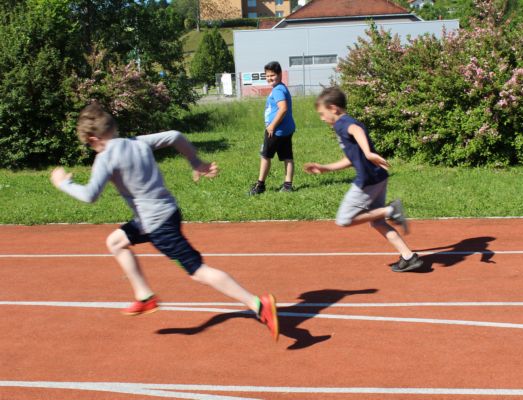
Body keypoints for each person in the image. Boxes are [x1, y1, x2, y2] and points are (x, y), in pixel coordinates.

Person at [50, 102, 279, 341]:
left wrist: (64, 183)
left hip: (158, 226)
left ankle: (258, 304)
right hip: (163, 214)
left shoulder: (105, 158)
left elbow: (90, 195)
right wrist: (195, 162)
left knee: (198, 272)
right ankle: (145, 297)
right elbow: (175, 136)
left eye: (89, 145)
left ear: (93, 138)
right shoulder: (137, 142)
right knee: (116, 242)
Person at [303, 87, 423, 272]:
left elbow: (356, 130)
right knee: (377, 221)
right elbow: (351, 158)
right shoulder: (346, 123)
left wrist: (368, 152)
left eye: (322, 113)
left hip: (367, 181)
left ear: (333, 108)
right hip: (378, 177)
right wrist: (326, 168)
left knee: (344, 219)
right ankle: (409, 257)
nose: (322, 118)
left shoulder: (342, 123)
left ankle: (390, 210)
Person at [249, 61, 296, 195]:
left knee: (265, 156)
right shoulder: (282, 87)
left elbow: (283, 108)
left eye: (272, 75)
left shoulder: (278, 90)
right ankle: (287, 186)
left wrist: (272, 126)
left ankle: (260, 186)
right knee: (287, 157)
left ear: (280, 74)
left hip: (275, 131)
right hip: (286, 129)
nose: (269, 78)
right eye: (267, 76)